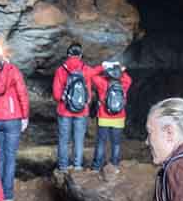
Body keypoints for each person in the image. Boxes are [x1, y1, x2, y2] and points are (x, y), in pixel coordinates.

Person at [0, 45, 29, 201]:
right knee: (10, 157)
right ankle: (7, 195)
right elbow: (22, 93)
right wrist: (25, 116)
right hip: (13, 117)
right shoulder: (13, 70)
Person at [52, 43, 100, 171]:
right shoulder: (86, 69)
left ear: (68, 54)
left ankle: (63, 166)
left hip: (64, 111)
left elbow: (56, 95)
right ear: (80, 55)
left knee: (64, 140)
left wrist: (64, 99)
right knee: (78, 140)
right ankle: (77, 166)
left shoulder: (60, 70)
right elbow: (94, 78)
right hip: (82, 111)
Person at [90, 61, 132, 173]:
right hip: (119, 118)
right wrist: (121, 69)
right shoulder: (124, 84)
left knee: (101, 143)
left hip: (104, 118)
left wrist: (103, 66)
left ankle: (96, 167)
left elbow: (91, 75)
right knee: (116, 143)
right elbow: (128, 78)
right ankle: (115, 165)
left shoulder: (102, 83)